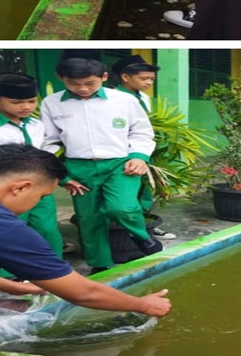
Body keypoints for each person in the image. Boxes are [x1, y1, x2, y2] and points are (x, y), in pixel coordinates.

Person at [0, 143, 172, 316]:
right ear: (22, 188)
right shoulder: (6, 228)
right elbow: (83, 293)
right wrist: (144, 305)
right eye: (42, 196)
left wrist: (17, 288)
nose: (39, 202)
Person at [40, 57, 161, 275]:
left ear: (104, 77)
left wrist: (139, 156)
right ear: (61, 78)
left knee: (122, 206)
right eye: (74, 84)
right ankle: (100, 263)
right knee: (89, 218)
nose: (83, 89)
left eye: (90, 83)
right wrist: (62, 175)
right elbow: (50, 141)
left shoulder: (124, 100)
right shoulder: (51, 102)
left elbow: (141, 131)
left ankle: (141, 236)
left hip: (120, 164)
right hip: (78, 167)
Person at [0, 72, 63, 255]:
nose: (26, 107)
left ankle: (53, 269)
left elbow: (46, 148)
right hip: (7, 189)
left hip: (38, 186)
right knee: (11, 231)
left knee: (47, 229)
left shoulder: (36, 125)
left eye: (31, 101)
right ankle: (7, 277)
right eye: (16, 102)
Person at [111, 55, 176, 241]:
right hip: (123, 154)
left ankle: (146, 225)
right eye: (144, 78)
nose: (148, 82)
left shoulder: (145, 99)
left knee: (146, 188)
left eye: (151, 79)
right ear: (125, 77)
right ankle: (126, 229)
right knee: (126, 195)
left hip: (145, 151)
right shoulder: (113, 98)